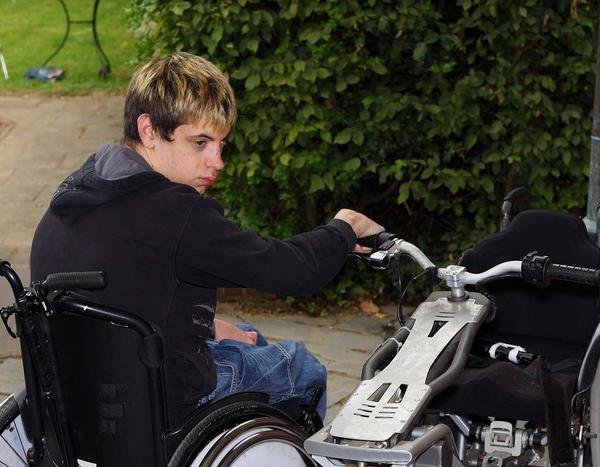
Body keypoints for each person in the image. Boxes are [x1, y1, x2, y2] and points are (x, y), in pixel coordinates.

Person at [30, 52, 382, 426]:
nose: (218, 161)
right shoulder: (175, 214)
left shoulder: (80, 190)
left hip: (81, 397)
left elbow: (129, 291)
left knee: (248, 336)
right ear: (149, 130)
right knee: (300, 365)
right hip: (160, 402)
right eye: (200, 142)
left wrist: (210, 327)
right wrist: (346, 227)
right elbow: (294, 271)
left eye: (221, 143)